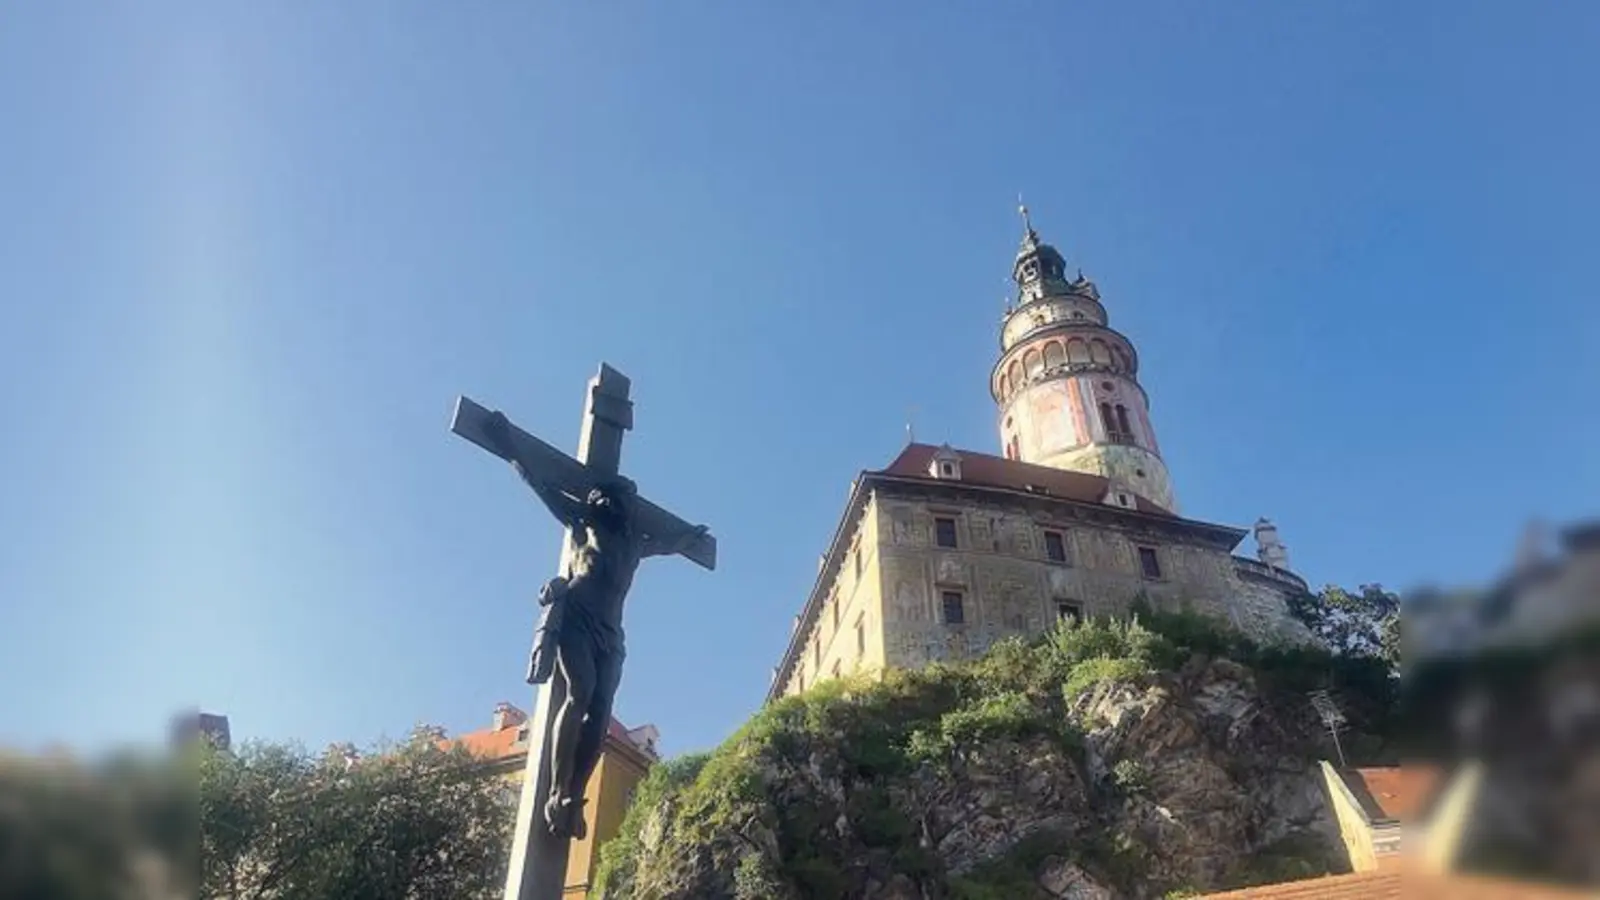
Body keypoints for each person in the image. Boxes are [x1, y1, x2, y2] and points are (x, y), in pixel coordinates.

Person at [483, 411, 707, 840]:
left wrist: (690, 538)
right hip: (579, 619)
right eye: (612, 499)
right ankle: (556, 788)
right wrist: (508, 445)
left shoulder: (635, 545)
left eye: (622, 501)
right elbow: (542, 487)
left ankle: (574, 794)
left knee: (601, 712)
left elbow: (671, 544)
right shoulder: (584, 524)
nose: (617, 506)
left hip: (612, 635)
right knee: (580, 693)